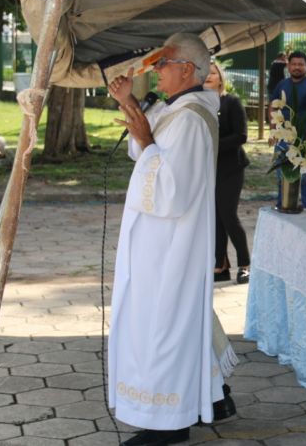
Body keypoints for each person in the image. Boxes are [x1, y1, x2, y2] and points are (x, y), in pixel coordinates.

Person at [107, 32, 230, 445]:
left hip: (172, 248)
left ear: (186, 69)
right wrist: (129, 105)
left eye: (164, 63)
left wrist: (143, 138)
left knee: (164, 327)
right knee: (159, 324)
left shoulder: (193, 119)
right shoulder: (175, 109)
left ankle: (169, 423)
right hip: (160, 245)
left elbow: (171, 191)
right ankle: (180, 409)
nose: (156, 70)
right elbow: (148, 150)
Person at [205, 62, 250, 285]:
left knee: (228, 215)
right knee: (215, 217)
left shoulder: (231, 102)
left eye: (212, 72)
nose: (208, 76)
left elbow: (241, 136)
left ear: (221, 78)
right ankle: (220, 265)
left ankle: (245, 265)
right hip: (208, 169)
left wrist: (212, 145)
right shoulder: (200, 104)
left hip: (231, 167)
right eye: (204, 72)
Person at [268, 51, 306, 209]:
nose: (297, 67)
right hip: (283, 139)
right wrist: (273, 132)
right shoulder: (282, 84)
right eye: (294, 64)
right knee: (282, 174)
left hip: (302, 139)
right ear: (288, 66)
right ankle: (282, 205)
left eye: (301, 64)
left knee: (305, 176)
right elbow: (272, 106)